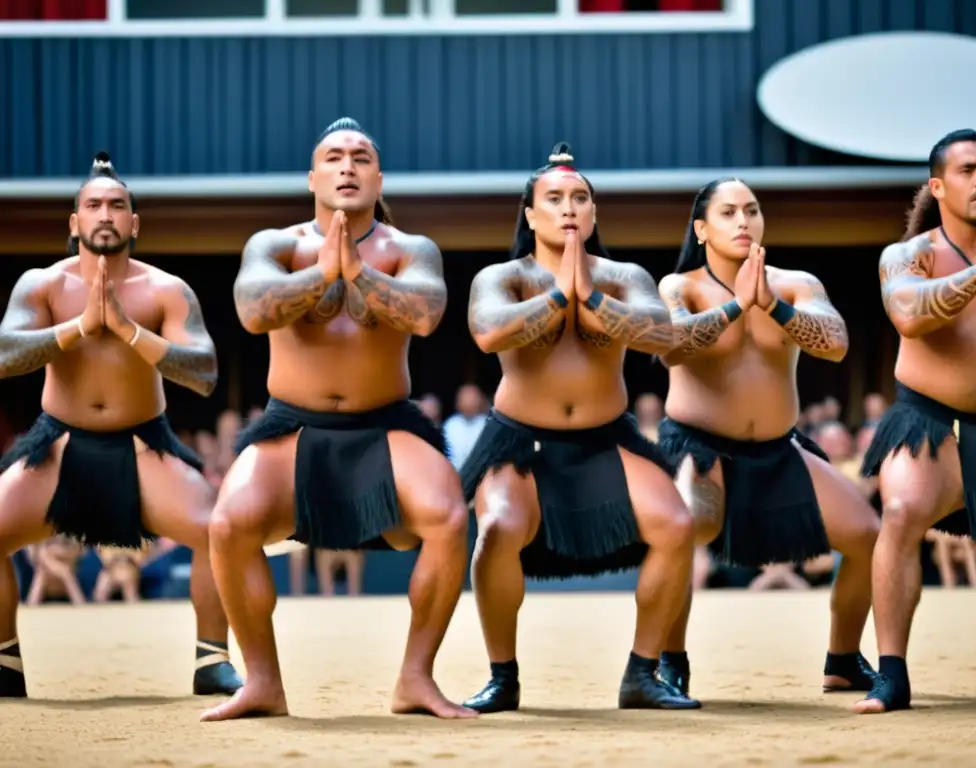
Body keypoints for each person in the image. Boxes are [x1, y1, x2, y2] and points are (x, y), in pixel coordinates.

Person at [201, 118, 474, 722]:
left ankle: (415, 678)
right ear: (313, 177)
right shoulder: (274, 244)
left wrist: (357, 271)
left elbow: (426, 315)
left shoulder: (411, 249)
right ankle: (263, 681)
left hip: (387, 424)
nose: (347, 166)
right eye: (333, 157)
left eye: (360, 158)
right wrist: (324, 271)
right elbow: (251, 310)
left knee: (449, 516)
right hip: (290, 425)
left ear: (379, 178)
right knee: (228, 522)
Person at [460, 143, 698, 714]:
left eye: (581, 198)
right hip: (520, 439)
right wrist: (562, 293)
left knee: (676, 524)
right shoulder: (504, 277)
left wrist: (587, 294)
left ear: (593, 215)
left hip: (606, 437)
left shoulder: (623, 276)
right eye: (555, 199)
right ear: (530, 214)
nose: (569, 208)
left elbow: (659, 336)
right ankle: (502, 675)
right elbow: (490, 333)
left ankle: (643, 673)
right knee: (496, 529)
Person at [0, 152, 242, 699]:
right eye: (93, 205)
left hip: (142, 445)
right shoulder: (42, 285)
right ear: (75, 223)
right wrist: (81, 326)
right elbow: (5, 354)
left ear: (134, 223)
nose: (105, 213)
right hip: (59, 444)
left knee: (218, 531)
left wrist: (130, 330)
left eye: (116, 205)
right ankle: (4, 662)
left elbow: (203, 372)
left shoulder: (165, 289)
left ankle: (211, 660)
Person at [655, 178, 880, 702]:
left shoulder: (795, 284)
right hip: (700, 444)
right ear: (702, 228)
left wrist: (773, 307)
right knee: (684, 529)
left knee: (869, 534)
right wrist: (736, 307)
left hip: (779, 447)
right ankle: (669, 662)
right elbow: (670, 347)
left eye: (752, 211)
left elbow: (837, 345)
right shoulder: (678, 286)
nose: (743, 221)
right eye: (728, 212)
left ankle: (843, 660)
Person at [855, 129, 976, 714]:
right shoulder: (909, 255)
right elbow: (908, 315)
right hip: (931, 420)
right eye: (966, 170)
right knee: (900, 511)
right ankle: (891, 674)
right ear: (937, 186)